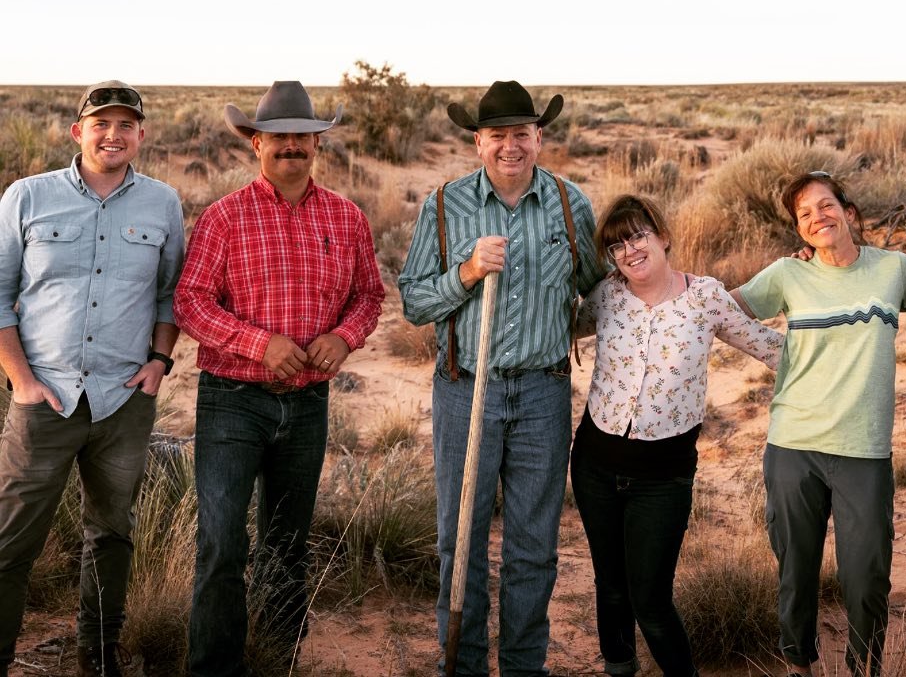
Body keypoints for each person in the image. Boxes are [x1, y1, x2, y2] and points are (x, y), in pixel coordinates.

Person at [174, 81, 384, 677]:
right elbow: (190, 301)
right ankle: (214, 667)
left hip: (308, 403)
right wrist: (258, 343)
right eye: (279, 137)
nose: (292, 146)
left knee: (288, 545)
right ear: (255, 144)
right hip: (232, 402)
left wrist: (344, 337)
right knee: (221, 545)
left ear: (317, 143)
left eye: (303, 136)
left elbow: (370, 294)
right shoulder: (224, 218)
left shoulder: (346, 217)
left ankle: (277, 659)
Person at [399, 79, 604, 677]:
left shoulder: (571, 204)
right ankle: (461, 665)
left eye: (522, 134)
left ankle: (522, 666)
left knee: (533, 547)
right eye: (497, 136)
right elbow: (413, 302)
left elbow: (599, 293)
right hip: (467, 388)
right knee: (458, 539)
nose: (510, 146)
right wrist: (465, 272)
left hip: (543, 390)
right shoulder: (444, 206)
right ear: (478, 143)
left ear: (539, 137)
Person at [0, 81, 184, 677]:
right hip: (43, 397)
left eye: (126, 125)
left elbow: (169, 295)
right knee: (10, 543)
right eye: (101, 124)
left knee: (111, 536)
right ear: (78, 132)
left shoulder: (163, 204)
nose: (114, 134)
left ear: (141, 135)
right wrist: (22, 381)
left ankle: (97, 658)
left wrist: (160, 363)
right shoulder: (26, 197)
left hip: (123, 401)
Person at [732, 172, 906, 677]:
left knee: (867, 575)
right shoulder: (786, 273)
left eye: (825, 206)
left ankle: (864, 666)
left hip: (863, 448)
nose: (817, 217)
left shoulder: (895, 270)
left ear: (849, 212)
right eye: (804, 214)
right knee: (796, 572)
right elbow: (721, 309)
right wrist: (768, 351)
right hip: (794, 444)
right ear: (799, 230)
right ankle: (798, 664)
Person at [571, 193, 783, 677]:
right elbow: (556, 330)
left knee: (650, 599)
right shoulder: (606, 296)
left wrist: (844, 339)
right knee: (610, 584)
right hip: (594, 464)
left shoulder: (704, 297)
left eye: (638, 235)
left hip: (662, 478)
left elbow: (769, 347)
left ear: (663, 237)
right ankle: (619, 667)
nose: (630, 250)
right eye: (617, 245)